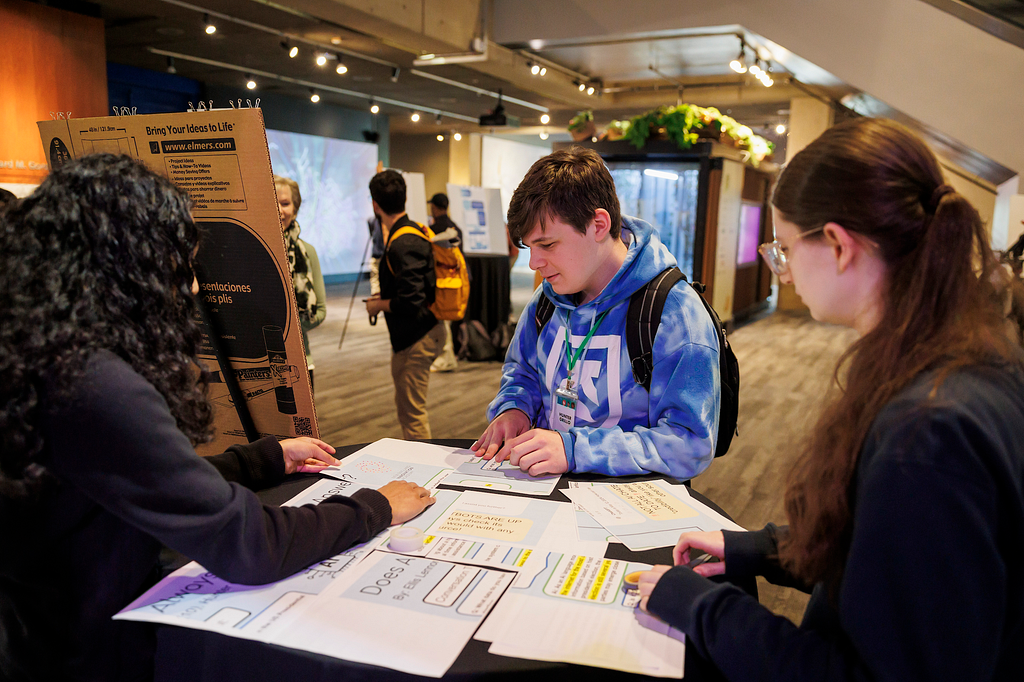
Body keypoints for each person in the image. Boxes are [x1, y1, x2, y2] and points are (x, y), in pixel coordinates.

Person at [0, 154, 436, 682]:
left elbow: (139, 475)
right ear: (130, 269)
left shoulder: (40, 354)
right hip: (91, 653)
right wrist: (374, 506)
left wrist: (261, 458)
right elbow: (249, 545)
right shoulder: (94, 384)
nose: (195, 289)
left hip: (39, 635)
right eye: (180, 266)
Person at [637, 118, 1024, 681]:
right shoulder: (968, 356)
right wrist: (762, 551)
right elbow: (890, 547)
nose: (786, 275)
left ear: (839, 245)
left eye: (786, 249)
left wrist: (703, 607)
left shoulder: (926, 433)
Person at [472, 147, 720, 479]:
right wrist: (514, 409)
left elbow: (689, 444)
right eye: (529, 248)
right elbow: (522, 372)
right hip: (542, 489)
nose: (534, 263)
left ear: (598, 225)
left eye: (547, 245)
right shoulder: (546, 300)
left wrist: (576, 450)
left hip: (627, 512)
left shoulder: (675, 315)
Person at [365, 170, 445, 440]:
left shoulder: (402, 242)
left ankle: (423, 477)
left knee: (412, 417)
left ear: (376, 204)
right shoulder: (414, 232)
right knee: (410, 412)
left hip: (416, 338)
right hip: (424, 332)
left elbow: (411, 301)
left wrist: (378, 305)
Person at [275, 175, 327, 392]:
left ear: (295, 209)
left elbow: (320, 310)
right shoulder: (249, 252)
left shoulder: (308, 252)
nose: (278, 210)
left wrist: (286, 331)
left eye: (285, 203)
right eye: (272, 202)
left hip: (300, 359)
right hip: (255, 361)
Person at [427, 192, 462, 373]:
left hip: (440, 282)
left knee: (442, 321)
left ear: (434, 207)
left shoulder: (434, 230)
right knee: (448, 321)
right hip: (456, 282)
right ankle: (446, 356)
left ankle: (445, 358)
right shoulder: (455, 228)